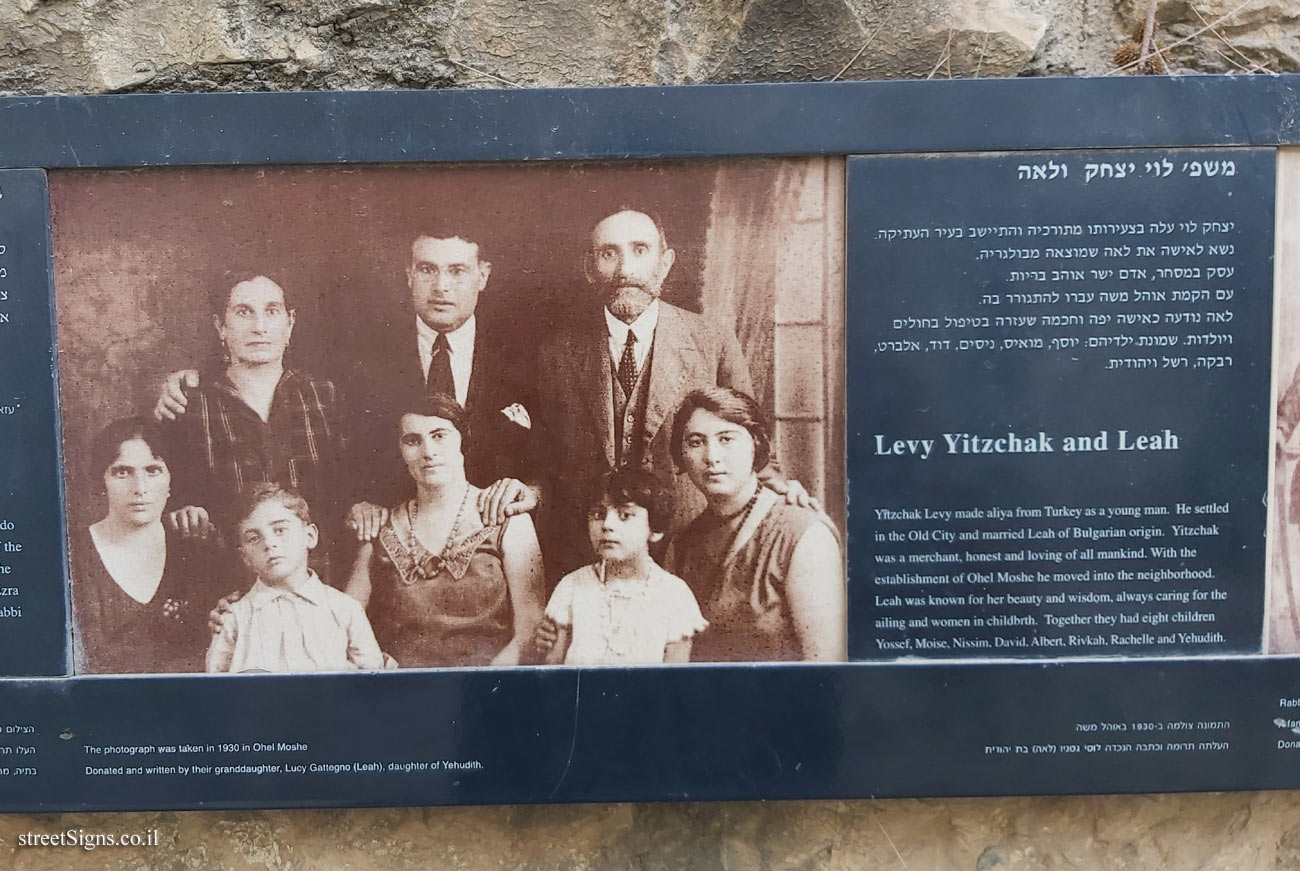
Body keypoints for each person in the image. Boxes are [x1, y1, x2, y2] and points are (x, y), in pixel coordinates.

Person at [483, 208, 808, 581]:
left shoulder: (712, 341)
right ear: (591, 268)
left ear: (664, 263)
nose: (625, 269)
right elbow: (546, 460)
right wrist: (531, 491)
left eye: (640, 250)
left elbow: (751, 450)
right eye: (609, 253)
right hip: (590, 553)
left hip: (688, 551)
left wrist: (784, 493)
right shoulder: (557, 353)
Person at [157, 275, 351, 582]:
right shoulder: (189, 406)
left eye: (271, 311)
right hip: (232, 593)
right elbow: (173, 504)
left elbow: (349, 497)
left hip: (321, 585)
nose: (259, 327)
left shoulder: (324, 397)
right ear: (220, 326)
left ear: (290, 324)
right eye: (244, 312)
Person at [343, 394, 545, 667]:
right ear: (400, 450)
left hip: (485, 690)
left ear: (463, 440)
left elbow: (530, 631)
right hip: (400, 691)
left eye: (439, 436)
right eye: (412, 441)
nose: (428, 452)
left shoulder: (507, 519)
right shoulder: (380, 528)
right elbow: (343, 625)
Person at [665, 387, 845, 662]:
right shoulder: (682, 546)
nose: (711, 457)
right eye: (696, 442)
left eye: (726, 439)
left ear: (756, 444)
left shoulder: (803, 535)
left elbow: (825, 666)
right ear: (681, 455)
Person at [71, 417, 209, 674]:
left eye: (153, 470)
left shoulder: (193, 546)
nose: (140, 488)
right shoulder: (72, 556)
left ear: (171, 480)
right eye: (122, 472)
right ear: (102, 482)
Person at [206, 483, 389, 673]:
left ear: (309, 536)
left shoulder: (344, 608)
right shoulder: (235, 617)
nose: (269, 543)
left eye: (280, 530)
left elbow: (372, 676)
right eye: (254, 538)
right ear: (245, 557)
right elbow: (215, 684)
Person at [543, 467, 706, 665]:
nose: (607, 525)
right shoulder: (572, 586)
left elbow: (675, 681)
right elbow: (552, 672)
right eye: (597, 515)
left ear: (655, 529)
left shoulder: (674, 595)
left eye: (625, 515)